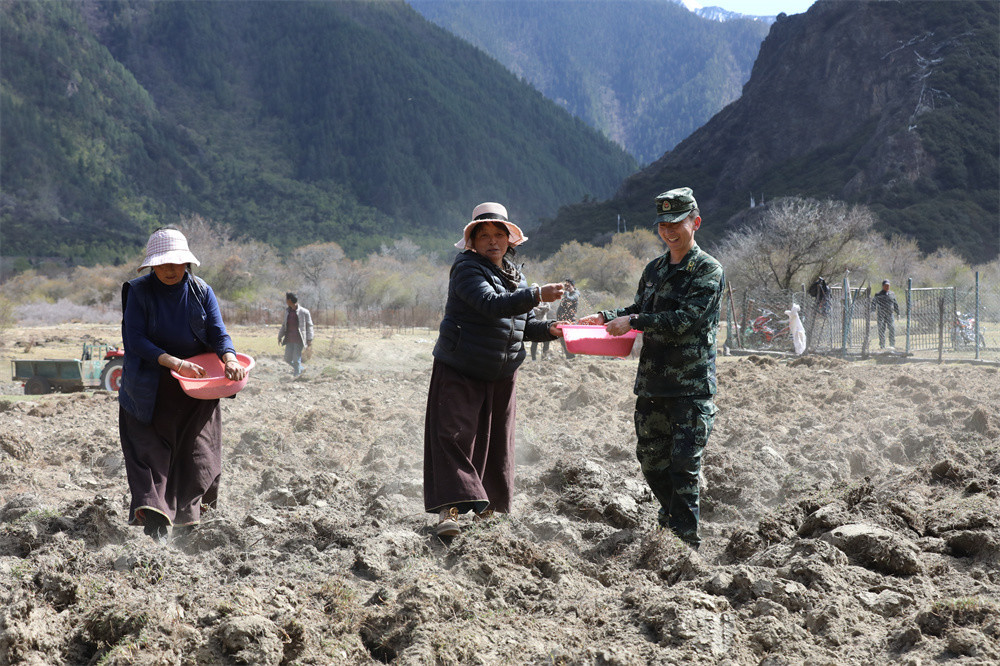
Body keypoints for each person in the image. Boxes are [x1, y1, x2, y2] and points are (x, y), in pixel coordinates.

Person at [579, 187, 724, 550]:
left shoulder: (707, 270)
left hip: (689, 387)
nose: (669, 231)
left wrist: (634, 321)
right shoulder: (655, 269)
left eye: (677, 223)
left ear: (696, 222)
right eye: (663, 224)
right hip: (653, 384)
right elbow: (639, 305)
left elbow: (685, 320)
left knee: (683, 465)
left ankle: (686, 543)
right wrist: (606, 317)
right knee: (651, 461)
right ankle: (671, 518)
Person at [424, 202, 566, 537]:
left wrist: (551, 330)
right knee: (455, 435)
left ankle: (492, 511)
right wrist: (535, 295)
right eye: (483, 235)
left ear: (510, 240)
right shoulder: (467, 269)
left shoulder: (517, 277)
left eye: (498, 234)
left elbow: (525, 325)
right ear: (471, 242)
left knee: (497, 442)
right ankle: (452, 511)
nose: (492, 241)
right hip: (462, 365)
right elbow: (491, 306)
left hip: (502, 371)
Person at [118, 228, 248, 543]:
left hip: (196, 387)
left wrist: (229, 358)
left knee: (199, 453)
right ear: (151, 266)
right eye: (163, 264)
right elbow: (134, 340)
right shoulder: (139, 292)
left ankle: (190, 526)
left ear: (186, 263)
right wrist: (174, 362)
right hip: (149, 390)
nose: (171, 270)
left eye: (177, 263)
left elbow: (219, 333)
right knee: (150, 454)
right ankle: (157, 525)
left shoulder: (202, 291)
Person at [278, 292, 314, 376]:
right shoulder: (287, 311)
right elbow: (284, 325)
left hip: (299, 339)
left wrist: (309, 339)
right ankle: (300, 369)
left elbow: (310, 326)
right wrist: (280, 336)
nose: (286, 301)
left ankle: (296, 376)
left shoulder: (304, 312)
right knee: (287, 358)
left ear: (290, 300)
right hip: (289, 339)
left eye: (286, 299)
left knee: (296, 358)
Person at [871, 279, 899, 348]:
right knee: (881, 330)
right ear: (883, 286)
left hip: (890, 315)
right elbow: (873, 303)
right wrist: (873, 311)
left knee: (892, 329)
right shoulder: (878, 294)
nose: (887, 287)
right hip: (881, 315)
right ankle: (882, 345)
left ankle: (892, 345)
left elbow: (895, 303)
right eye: (886, 286)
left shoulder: (892, 294)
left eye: (888, 286)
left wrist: (898, 313)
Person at [556, 279, 580, 359]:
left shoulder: (575, 294)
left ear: (573, 286)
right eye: (565, 286)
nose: (566, 288)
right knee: (563, 340)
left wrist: (566, 294)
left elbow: (571, 299)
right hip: (562, 321)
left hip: (570, 321)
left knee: (569, 340)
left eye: (568, 286)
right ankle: (568, 357)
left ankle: (572, 357)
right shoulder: (567, 294)